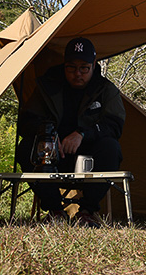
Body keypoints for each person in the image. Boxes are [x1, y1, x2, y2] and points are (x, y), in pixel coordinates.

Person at [16, 37, 125, 227]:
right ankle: (55, 211)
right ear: (64, 65)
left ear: (93, 64)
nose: (77, 74)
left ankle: (87, 212)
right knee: (25, 147)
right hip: (51, 159)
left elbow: (114, 125)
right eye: (71, 68)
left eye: (84, 68)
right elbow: (26, 122)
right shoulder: (47, 87)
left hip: (88, 160)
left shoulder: (105, 90)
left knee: (111, 147)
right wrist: (48, 136)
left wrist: (82, 135)